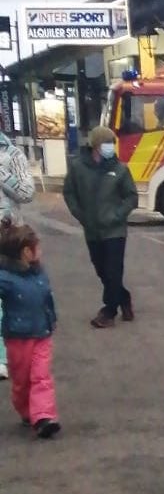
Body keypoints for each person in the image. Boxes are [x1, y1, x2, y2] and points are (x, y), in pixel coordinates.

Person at [63, 125, 139, 328]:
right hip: (92, 230)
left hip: (114, 231)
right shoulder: (78, 167)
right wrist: (80, 214)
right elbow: (69, 193)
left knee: (114, 271)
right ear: (95, 145)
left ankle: (108, 311)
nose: (110, 147)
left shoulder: (120, 169)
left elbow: (131, 197)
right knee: (102, 271)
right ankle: (123, 297)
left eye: (112, 143)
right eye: (107, 143)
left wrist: (117, 215)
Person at [0, 222, 60, 438]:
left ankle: (43, 416)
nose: (41, 252)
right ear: (26, 252)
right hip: (17, 337)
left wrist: (51, 319)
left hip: (42, 333)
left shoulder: (39, 272)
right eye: (38, 248)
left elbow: (47, 298)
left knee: (41, 376)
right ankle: (26, 410)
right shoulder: (5, 278)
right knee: (22, 380)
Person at [0, 128, 38, 381]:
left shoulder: (13, 154)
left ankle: (4, 358)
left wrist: (2, 175)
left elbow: (27, 192)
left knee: (6, 297)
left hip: (7, 237)